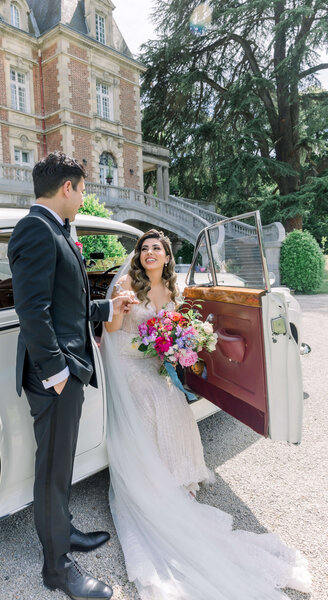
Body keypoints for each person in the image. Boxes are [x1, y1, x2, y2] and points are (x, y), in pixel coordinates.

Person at [102, 229, 311, 600]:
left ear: (167, 257)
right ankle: (155, 484)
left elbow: (172, 332)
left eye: (157, 248)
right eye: (144, 248)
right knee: (157, 399)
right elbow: (112, 330)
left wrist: (182, 345)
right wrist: (117, 310)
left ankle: (177, 478)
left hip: (151, 364)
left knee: (172, 402)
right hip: (123, 363)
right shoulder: (126, 285)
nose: (150, 253)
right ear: (138, 256)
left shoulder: (174, 291)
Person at [8, 152, 136, 600]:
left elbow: (69, 306)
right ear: (67, 187)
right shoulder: (35, 230)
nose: (83, 199)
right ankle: (57, 568)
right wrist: (58, 372)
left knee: (61, 464)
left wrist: (108, 307)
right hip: (55, 375)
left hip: (66, 370)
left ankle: (62, 531)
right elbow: (32, 310)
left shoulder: (55, 231)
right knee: (51, 470)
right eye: (82, 190)